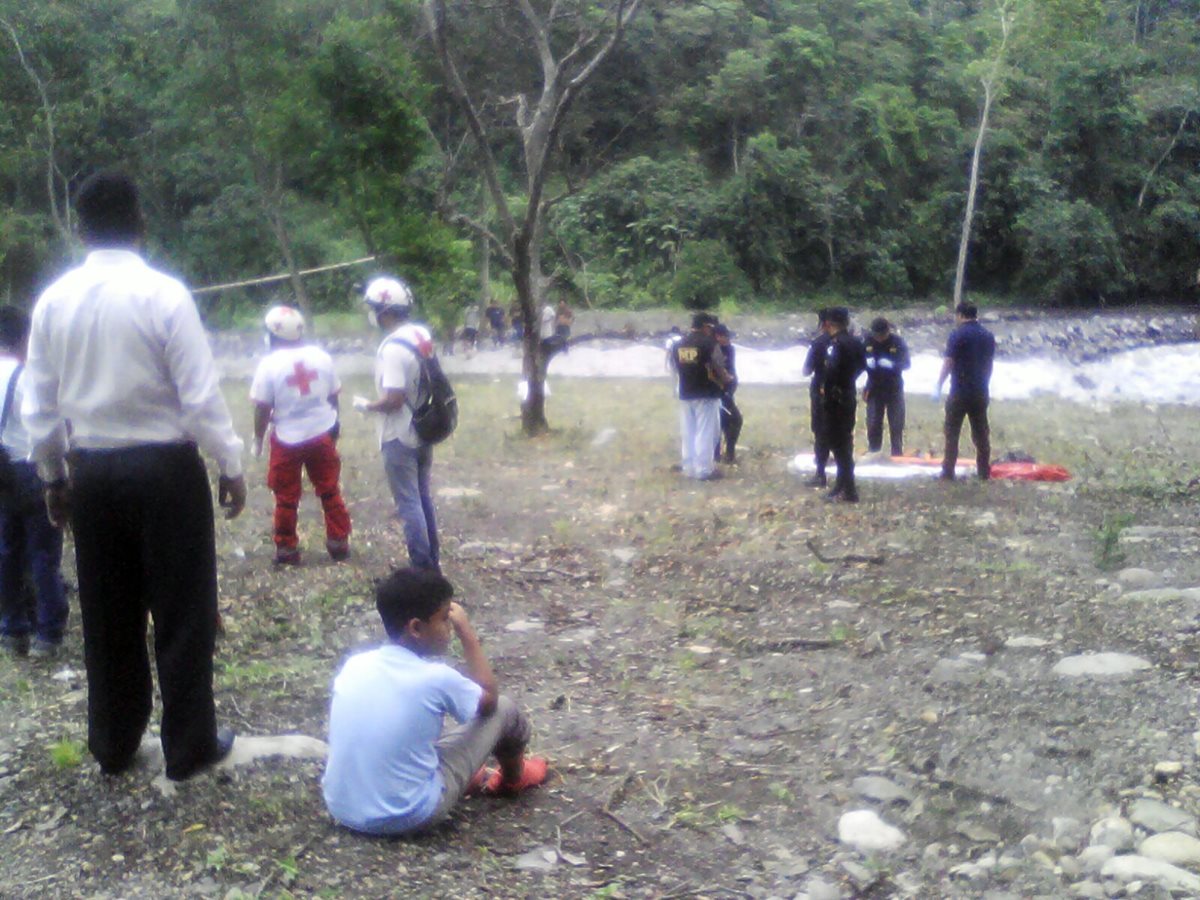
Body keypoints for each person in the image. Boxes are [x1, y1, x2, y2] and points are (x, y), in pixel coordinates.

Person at [22, 171, 244, 780]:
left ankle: (114, 742)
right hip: (165, 469)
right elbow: (199, 398)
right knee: (183, 607)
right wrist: (231, 463)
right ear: (141, 222)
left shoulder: (54, 302)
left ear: (79, 226)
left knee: (105, 609)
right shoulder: (164, 295)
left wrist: (52, 475)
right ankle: (188, 744)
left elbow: (39, 407)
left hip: (91, 471)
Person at [322, 568, 547, 835]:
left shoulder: (356, 664)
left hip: (343, 808)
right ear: (416, 627)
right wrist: (467, 633)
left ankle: (467, 776)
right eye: (444, 620)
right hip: (407, 813)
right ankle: (513, 779)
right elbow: (489, 699)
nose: (449, 628)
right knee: (505, 709)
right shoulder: (435, 677)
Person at [249, 305, 351, 566]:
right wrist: (334, 426)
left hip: (287, 437)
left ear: (272, 335)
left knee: (286, 496)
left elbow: (262, 408)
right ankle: (339, 542)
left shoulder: (269, 364)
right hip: (321, 430)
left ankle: (286, 549)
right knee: (329, 489)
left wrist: (258, 439)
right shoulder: (321, 356)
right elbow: (333, 396)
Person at [355, 276, 441, 571]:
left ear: (385, 310)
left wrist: (366, 405)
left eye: (374, 308)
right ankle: (433, 562)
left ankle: (421, 567)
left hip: (399, 434)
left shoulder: (392, 348)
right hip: (424, 427)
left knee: (408, 503)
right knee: (422, 497)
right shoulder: (420, 334)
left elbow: (393, 398)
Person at [0, 307, 67, 659]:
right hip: (29, 470)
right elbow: (43, 427)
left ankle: (12, 629)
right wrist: (58, 474)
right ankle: (49, 632)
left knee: (7, 552)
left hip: (2, 473)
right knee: (43, 554)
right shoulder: (24, 377)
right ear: (22, 338)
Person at [934, 301, 996, 480]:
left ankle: (948, 471)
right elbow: (990, 364)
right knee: (981, 432)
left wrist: (939, 384)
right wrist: (985, 382)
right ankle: (984, 471)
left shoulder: (957, 334)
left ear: (960, 315)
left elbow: (949, 362)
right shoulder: (987, 335)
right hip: (980, 390)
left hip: (960, 390)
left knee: (952, 432)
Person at [672, 313, 733, 481]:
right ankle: (704, 470)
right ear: (706, 327)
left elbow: (676, 368)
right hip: (707, 393)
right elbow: (718, 366)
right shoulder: (709, 344)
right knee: (706, 431)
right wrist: (727, 378)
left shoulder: (679, 345)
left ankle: (689, 467)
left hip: (685, 392)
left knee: (688, 431)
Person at [822, 307, 866, 503]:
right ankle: (841, 484)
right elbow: (863, 365)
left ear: (829, 324)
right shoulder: (856, 342)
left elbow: (832, 370)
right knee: (844, 441)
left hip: (836, 398)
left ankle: (848, 489)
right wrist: (850, 379)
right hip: (849, 394)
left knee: (839, 445)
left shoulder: (837, 344)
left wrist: (828, 387)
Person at [862, 317, 911, 457]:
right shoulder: (867, 341)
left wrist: (892, 365)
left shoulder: (897, 341)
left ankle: (897, 453)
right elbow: (857, 360)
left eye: (882, 336)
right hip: (874, 387)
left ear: (888, 331)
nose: (879, 339)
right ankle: (874, 452)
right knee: (873, 423)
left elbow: (907, 363)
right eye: (877, 336)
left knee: (896, 424)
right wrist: (865, 363)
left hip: (894, 387)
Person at [801, 309, 832, 487]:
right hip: (843, 391)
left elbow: (806, 370)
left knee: (820, 431)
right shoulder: (850, 342)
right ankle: (845, 478)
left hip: (821, 390)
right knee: (842, 433)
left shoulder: (819, 343)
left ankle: (820, 473)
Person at [713, 324, 743, 465]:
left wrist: (730, 390)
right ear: (718, 337)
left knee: (733, 421)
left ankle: (728, 452)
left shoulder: (729, 349)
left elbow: (732, 371)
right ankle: (717, 453)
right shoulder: (712, 350)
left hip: (727, 392)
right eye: (725, 337)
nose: (728, 340)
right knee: (722, 423)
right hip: (715, 393)